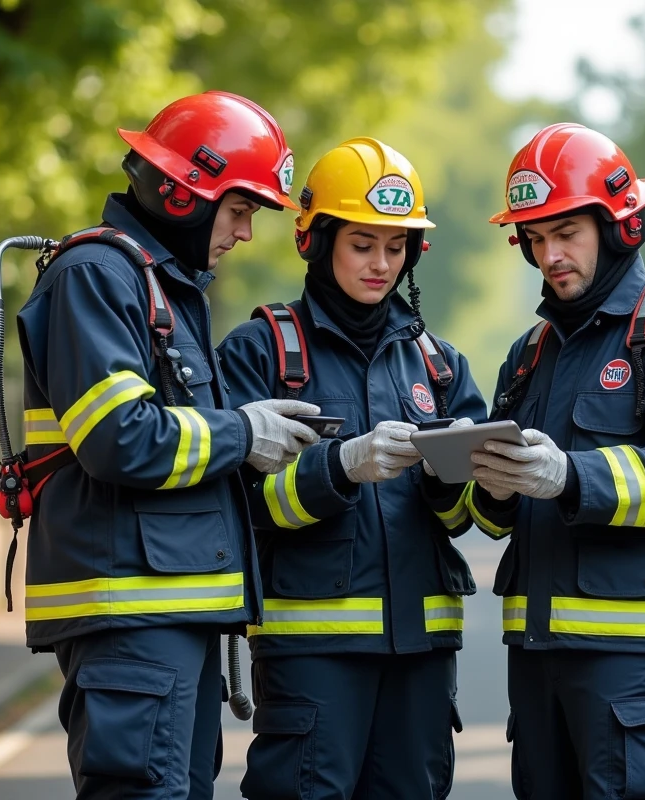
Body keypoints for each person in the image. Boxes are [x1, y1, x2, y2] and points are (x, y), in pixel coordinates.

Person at [15, 91, 323, 800]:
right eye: (240, 211)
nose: (244, 232)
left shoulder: (161, 287)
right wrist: (244, 430)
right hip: (131, 619)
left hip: (164, 619)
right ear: (185, 195)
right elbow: (121, 439)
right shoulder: (97, 276)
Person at [467, 122, 645, 800]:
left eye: (566, 233)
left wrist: (568, 476)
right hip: (536, 660)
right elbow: (494, 517)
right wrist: (489, 482)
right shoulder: (529, 353)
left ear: (619, 225)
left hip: (636, 660)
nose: (549, 256)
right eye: (534, 239)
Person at [216, 137, 486, 799]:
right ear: (318, 240)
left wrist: (463, 476)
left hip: (422, 658)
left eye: (396, 248)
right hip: (312, 659)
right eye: (363, 244)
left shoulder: (439, 365)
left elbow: (471, 516)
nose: (381, 264)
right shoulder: (262, 351)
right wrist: (338, 469)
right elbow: (233, 505)